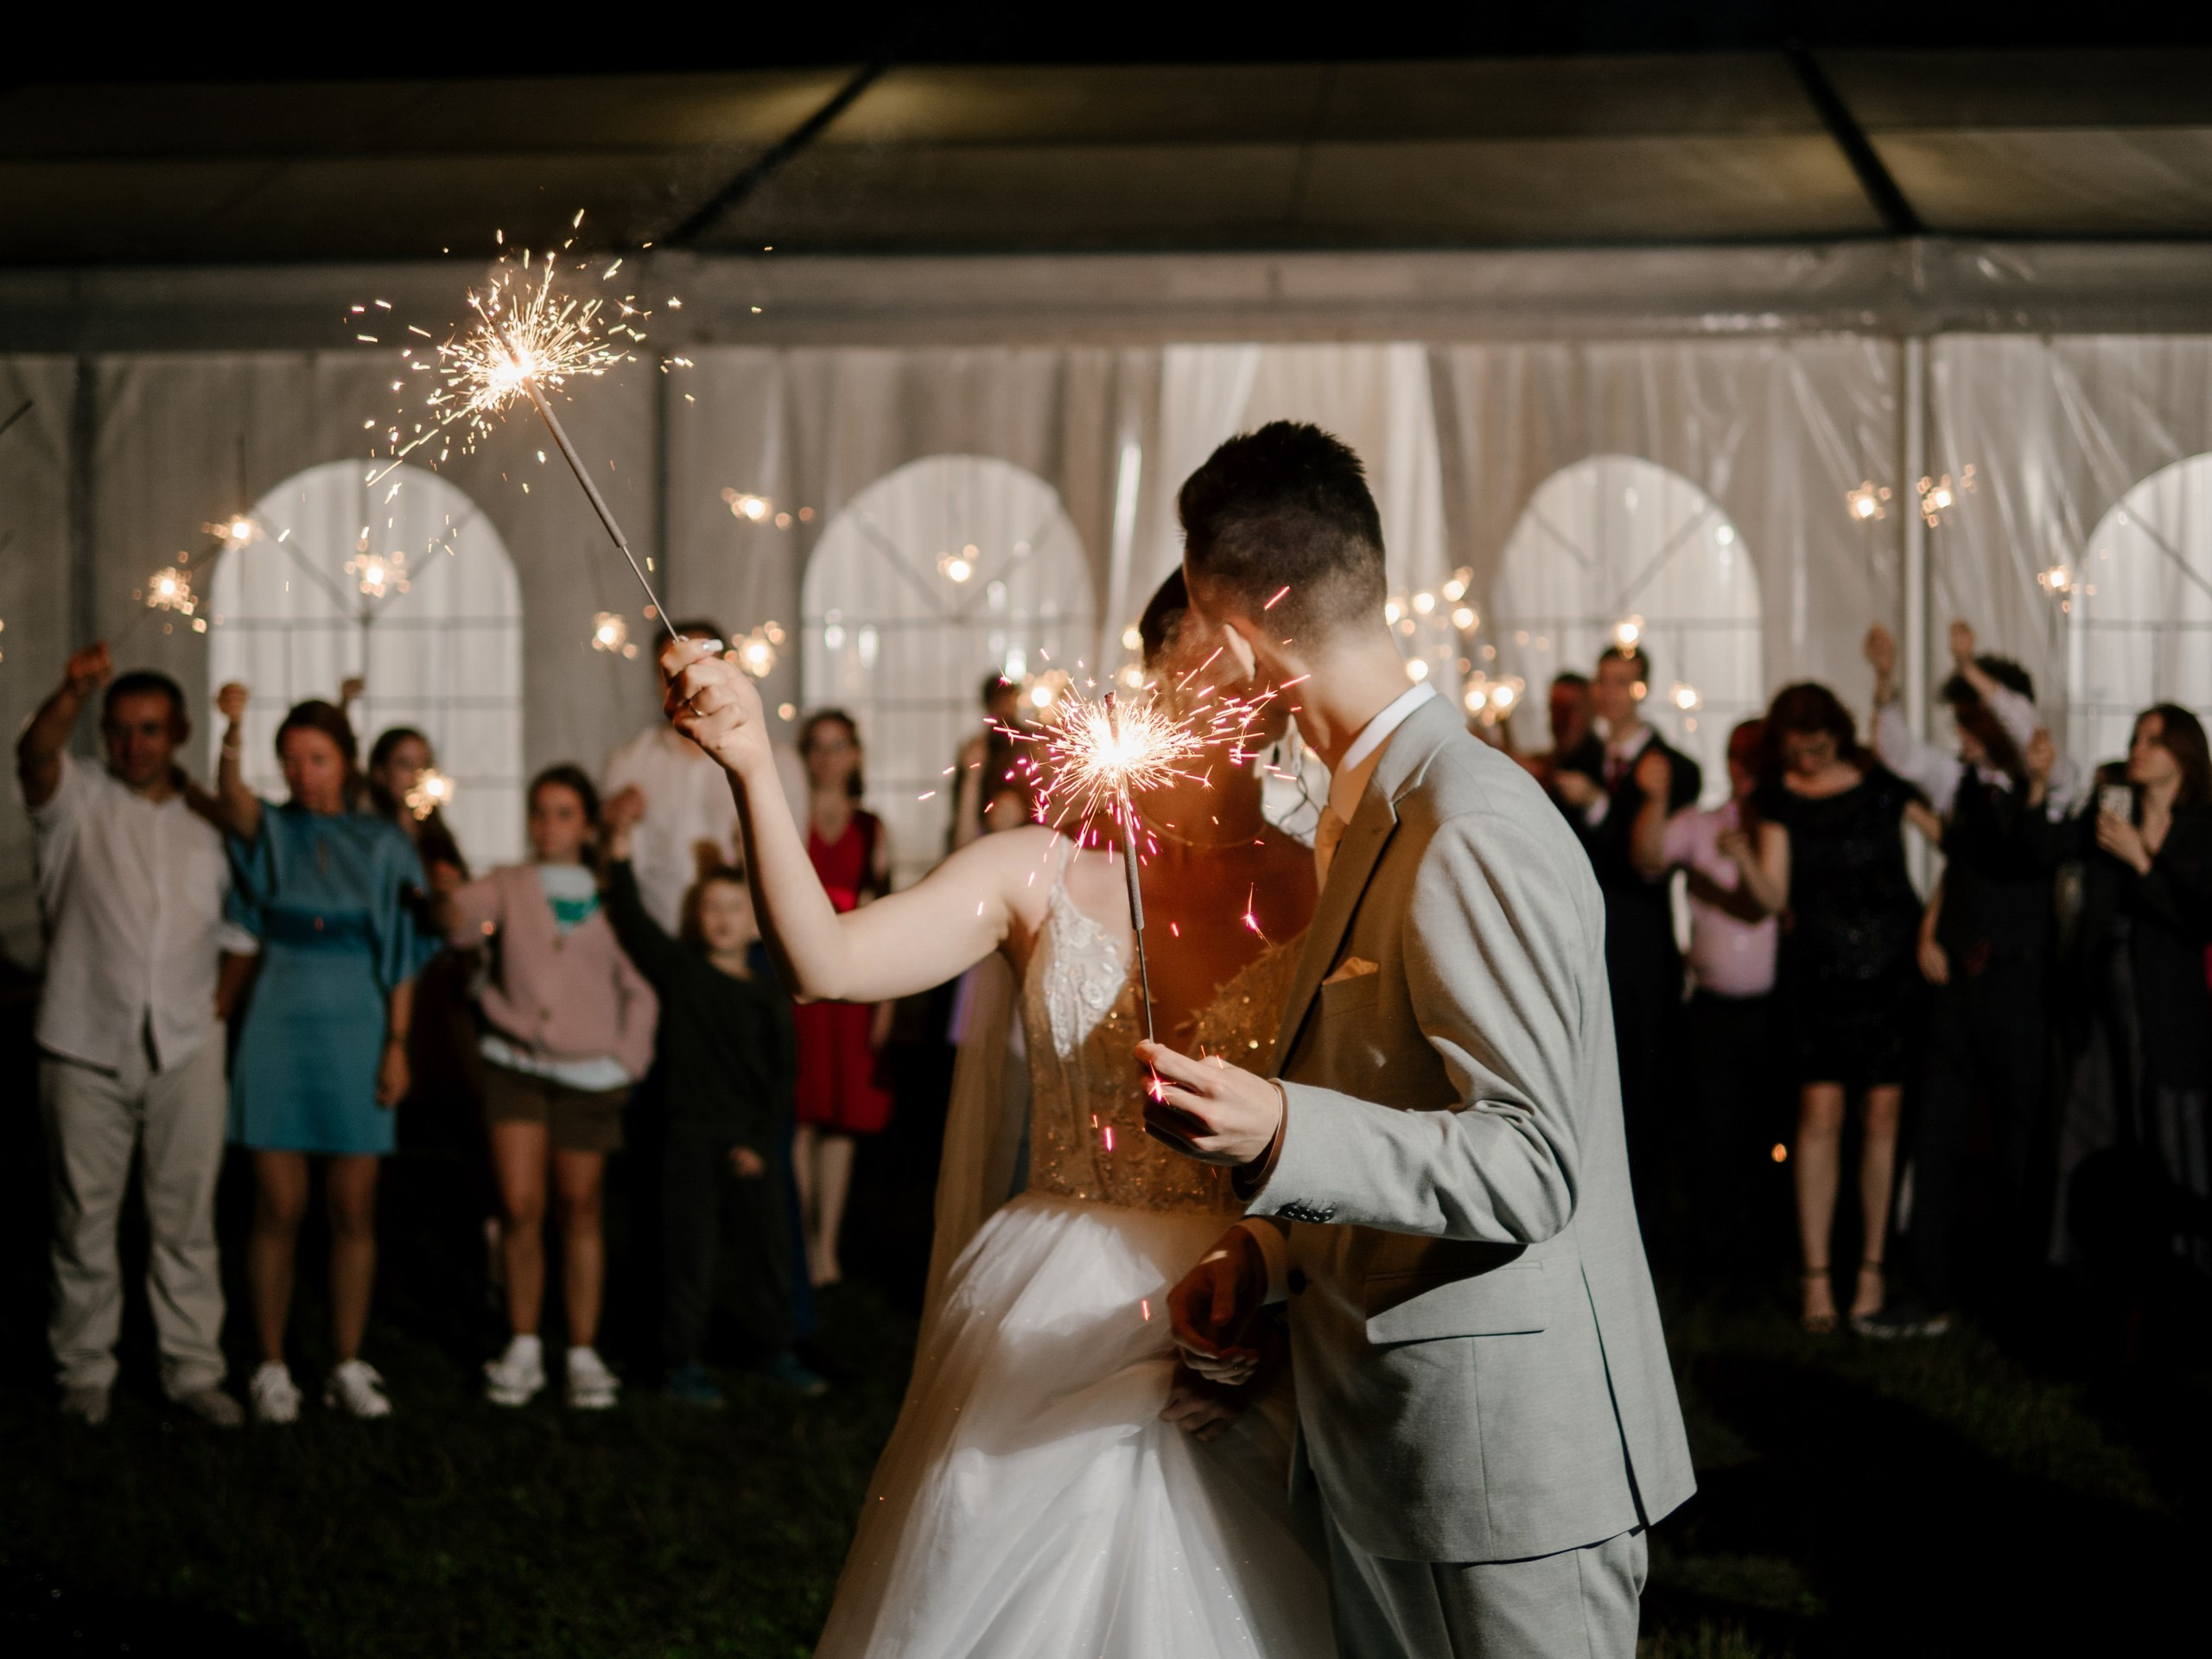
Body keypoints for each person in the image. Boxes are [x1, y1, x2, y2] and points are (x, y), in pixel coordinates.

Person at [663, 565, 1331, 1659]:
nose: (1234, 696)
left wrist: (1276, 1297)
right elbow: (825, 964)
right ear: (1155, 680)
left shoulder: (1323, 886)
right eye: (1206, 666)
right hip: (1057, 1298)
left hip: (1260, 1298)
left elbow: (1361, 1130)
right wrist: (750, 766)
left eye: (1256, 674)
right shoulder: (1035, 872)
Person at [1145, 423, 1693, 1659]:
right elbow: (1396, 1095)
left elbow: (1532, 1162)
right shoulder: (1362, 808)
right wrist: (1268, 1254)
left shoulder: (1465, 821)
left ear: (1238, 643)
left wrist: (1282, 1132)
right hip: (1399, 1450)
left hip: (1506, 1475)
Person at [18, 645, 253, 1428]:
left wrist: (218, 1006)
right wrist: (71, 691)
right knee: (81, 1217)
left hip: (187, 1043)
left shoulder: (207, 822)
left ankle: (192, 1369)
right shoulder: (77, 798)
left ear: (178, 733)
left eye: (150, 729)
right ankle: (84, 1370)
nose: (134, 744)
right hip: (82, 1037)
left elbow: (243, 923)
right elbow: (35, 755)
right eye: (120, 729)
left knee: (185, 1218)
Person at [213, 684, 427, 1423]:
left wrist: (397, 1044)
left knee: (352, 1207)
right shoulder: (271, 829)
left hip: (359, 1022)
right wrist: (233, 729)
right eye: (291, 759)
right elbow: (231, 798)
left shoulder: (386, 842)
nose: (303, 774)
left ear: (347, 762)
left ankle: (345, 1360)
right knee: (277, 1204)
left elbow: (404, 952)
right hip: (278, 1016)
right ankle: (271, 1363)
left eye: (318, 758)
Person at [1866, 620, 2073, 1333]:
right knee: (1938, 1133)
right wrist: (1885, 681)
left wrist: (1970, 665)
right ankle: (1930, 1291)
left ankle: (2021, 1300)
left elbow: (2020, 718)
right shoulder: (1959, 784)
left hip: (2020, 987)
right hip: (1956, 986)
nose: (1961, 727)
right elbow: (1897, 751)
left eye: (1972, 714)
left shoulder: (2054, 777)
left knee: (2021, 1142)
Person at [601, 792, 823, 1403]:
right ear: (696, 918)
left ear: (755, 921)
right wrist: (618, 851)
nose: (723, 918)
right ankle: (680, 1363)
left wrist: (760, 1143)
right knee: (688, 1255)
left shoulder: (770, 994)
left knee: (767, 1252)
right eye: (711, 907)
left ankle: (777, 1350)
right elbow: (630, 919)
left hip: (749, 1142)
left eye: (734, 907)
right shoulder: (682, 974)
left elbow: (783, 1075)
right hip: (689, 1142)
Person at [450, 766, 657, 1410]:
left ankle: (582, 1349)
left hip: (592, 1074)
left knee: (581, 1206)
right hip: (515, 1064)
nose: (548, 825)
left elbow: (642, 984)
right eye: (540, 811)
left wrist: (627, 1060)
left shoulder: (612, 894)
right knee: (519, 1206)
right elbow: (459, 922)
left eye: (564, 813)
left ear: (587, 825)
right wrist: (442, 895)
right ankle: (522, 1342)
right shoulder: (509, 884)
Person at [1728, 683, 1924, 1334]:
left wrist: (1936, 923)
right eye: (1795, 751)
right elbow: (1773, 896)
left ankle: (1871, 1271)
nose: (1808, 760)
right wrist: (1743, 858)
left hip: (1892, 972)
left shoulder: (1881, 785)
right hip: (1817, 976)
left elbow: (1957, 835)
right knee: (1818, 1114)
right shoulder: (1779, 799)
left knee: (1883, 1116)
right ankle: (1816, 1277)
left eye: (1816, 747)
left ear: (1837, 734)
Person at [2024, 706, 2212, 1279]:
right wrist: (2040, 784)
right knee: (2097, 1122)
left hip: (2170, 1006)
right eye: (2135, 738)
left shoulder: (2201, 826)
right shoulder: (2113, 806)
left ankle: (2185, 1269)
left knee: (2170, 1130)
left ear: (2184, 754)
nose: (2137, 749)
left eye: (2153, 740)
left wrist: (2141, 862)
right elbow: (2042, 849)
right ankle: (2090, 1267)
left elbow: (2198, 921)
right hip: (2105, 1001)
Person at [1552, 643, 1702, 1223]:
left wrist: (1597, 806)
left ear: (1642, 690)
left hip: (1640, 948)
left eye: (1623, 682)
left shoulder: (1674, 768)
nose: (1611, 693)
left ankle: (1650, 1217)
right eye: (1604, 681)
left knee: (1643, 1081)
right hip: (1577, 945)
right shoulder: (1577, 761)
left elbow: (1642, 865)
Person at [1630, 717, 1784, 1278]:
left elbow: (1768, 904)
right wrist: (1655, 798)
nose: (1745, 767)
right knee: (1714, 1136)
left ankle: (1767, 1257)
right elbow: (1648, 858)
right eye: (1737, 755)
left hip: (1773, 1010)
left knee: (1769, 1136)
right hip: (1712, 1012)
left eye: (1755, 756)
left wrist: (1742, 856)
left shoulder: (1780, 829)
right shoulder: (1699, 824)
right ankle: (1714, 1262)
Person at [789, 709, 894, 1287]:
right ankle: (798, 1240)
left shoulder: (872, 828)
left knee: (841, 1119)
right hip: (798, 984)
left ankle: (825, 1245)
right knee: (800, 1112)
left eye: (838, 745)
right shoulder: (788, 819)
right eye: (817, 746)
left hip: (853, 984)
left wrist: (887, 1004)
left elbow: (885, 915)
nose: (827, 758)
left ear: (855, 754)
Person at [601, 618, 746, 934]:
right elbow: (606, 864)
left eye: (700, 666)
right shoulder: (628, 761)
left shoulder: (765, 760)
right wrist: (612, 823)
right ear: (659, 679)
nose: (689, 680)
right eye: (675, 669)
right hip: (654, 936)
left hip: (745, 943)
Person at [949, 671, 1025, 849]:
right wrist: (972, 778)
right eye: (1000, 703)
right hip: (981, 841)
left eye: (1009, 701)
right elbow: (962, 829)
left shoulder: (1031, 747)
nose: (1005, 709)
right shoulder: (976, 751)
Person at [1512, 670, 1593, 790]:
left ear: (1591, 710)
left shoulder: (1602, 763)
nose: (1564, 719)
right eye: (1557, 708)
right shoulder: (1556, 758)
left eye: (1572, 708)